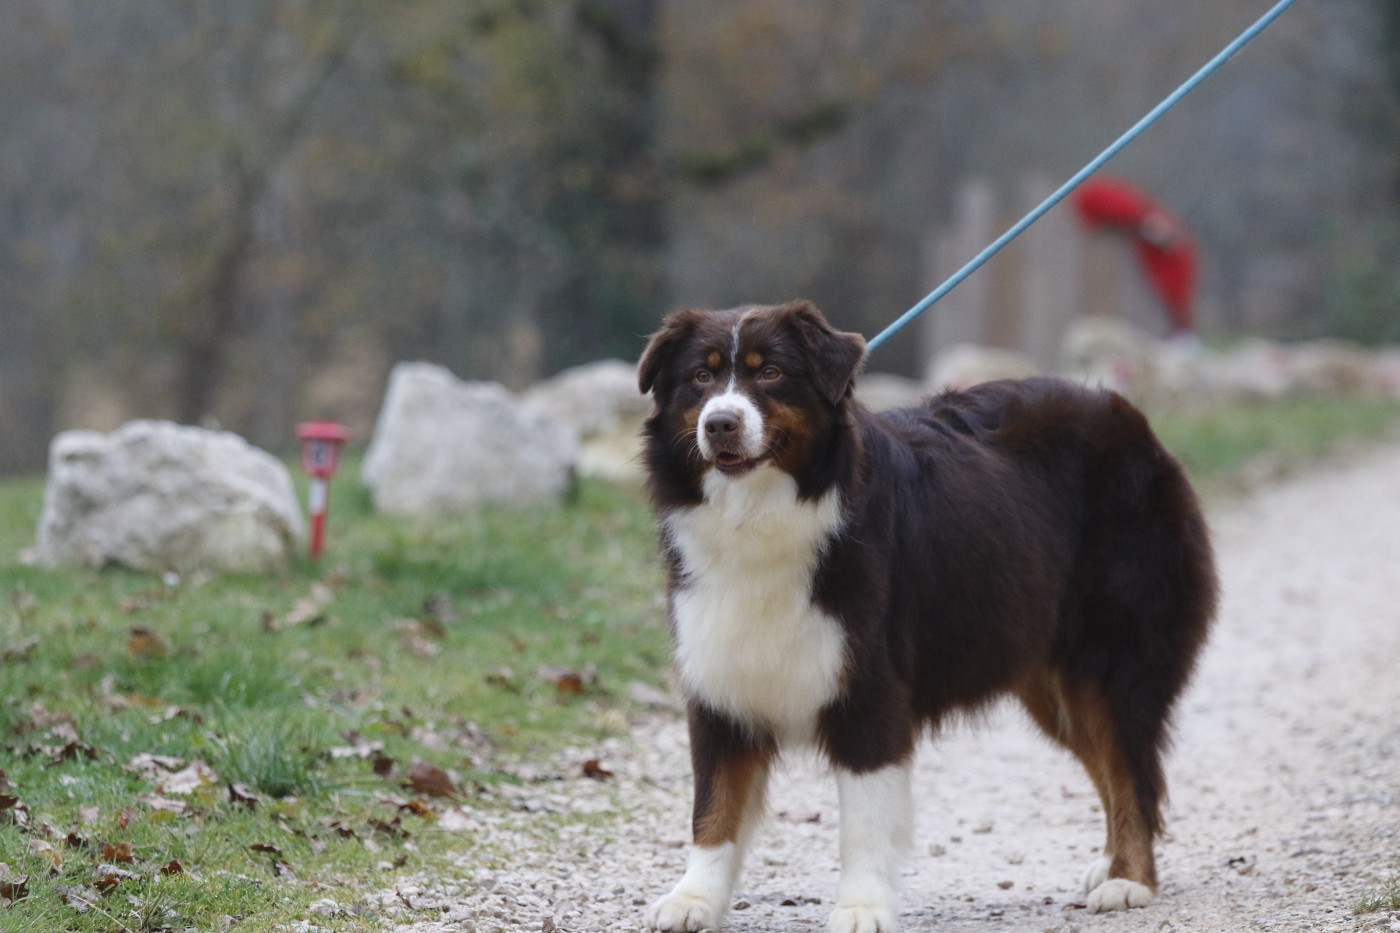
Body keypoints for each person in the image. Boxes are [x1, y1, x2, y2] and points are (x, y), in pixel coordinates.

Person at [1072, 175, 1199, 341]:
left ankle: (1181, 337)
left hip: (1166, 265)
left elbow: (1161, 231)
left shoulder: (1139, 217)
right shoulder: (1127, 212)